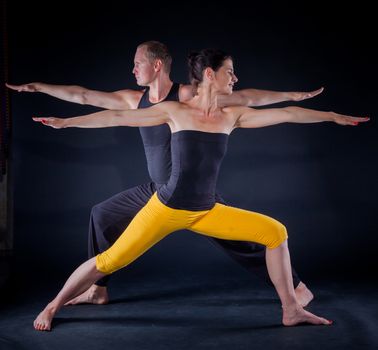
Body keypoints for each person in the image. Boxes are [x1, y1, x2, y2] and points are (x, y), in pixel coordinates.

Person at [32, 48, 369, 331]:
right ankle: (53, 306)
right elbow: (113, 117)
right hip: (165, 208)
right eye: (230, 72)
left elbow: (288, 114)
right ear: (210, 74)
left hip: (206, 210)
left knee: (275, 232)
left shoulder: (231, 116)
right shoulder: (175, 111)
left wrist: (331, 116)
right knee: (108, 261)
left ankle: (291, 309)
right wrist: (67, 123)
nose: (235, 78)